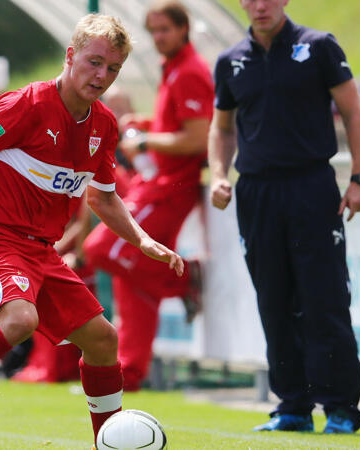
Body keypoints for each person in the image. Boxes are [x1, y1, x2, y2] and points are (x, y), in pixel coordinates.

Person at [0, 14, 184, 447]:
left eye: (112, 68)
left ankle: (107, 440)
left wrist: (142, 239)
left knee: (104, 340)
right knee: (20, 318)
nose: (101, 75)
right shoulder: (27, 104)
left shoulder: (103, 126)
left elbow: (103, 197)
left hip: (42, 251)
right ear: (70, 56)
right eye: (94, 62)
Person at [208, 0, 360, 434]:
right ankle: (292, 406)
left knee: (324, 298)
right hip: (256, 192)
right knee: (273, 301)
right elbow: (222, 127)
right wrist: (219, 176)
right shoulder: (230, 60)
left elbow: (354, 111)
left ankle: (340, 407)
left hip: (311, 186)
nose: (260, 6)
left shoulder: (318, 47)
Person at [82, 0, 213, 392]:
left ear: (183, 29)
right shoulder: (174, 68)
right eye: (153, 31)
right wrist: (149, 123)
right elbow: (180, 123)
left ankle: (184, 277)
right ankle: (129, 372)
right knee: (131, 276)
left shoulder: (189, 70)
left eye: (165, 30)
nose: (158, 38)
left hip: (172, 186)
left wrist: (145, 137)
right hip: (157, 181)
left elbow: (198, 136)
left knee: (103, 249)